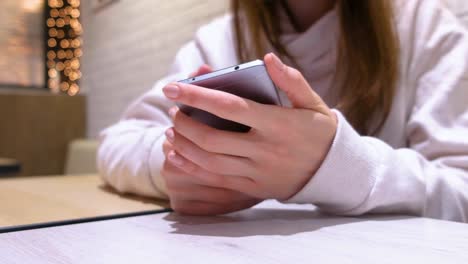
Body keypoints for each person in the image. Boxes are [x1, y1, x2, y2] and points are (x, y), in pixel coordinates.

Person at [97, 0, 468, 222]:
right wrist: (180, 164)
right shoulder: (219, 39)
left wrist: (336, 165)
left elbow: (460, 195)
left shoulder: (426, 27)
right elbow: (117, 142)